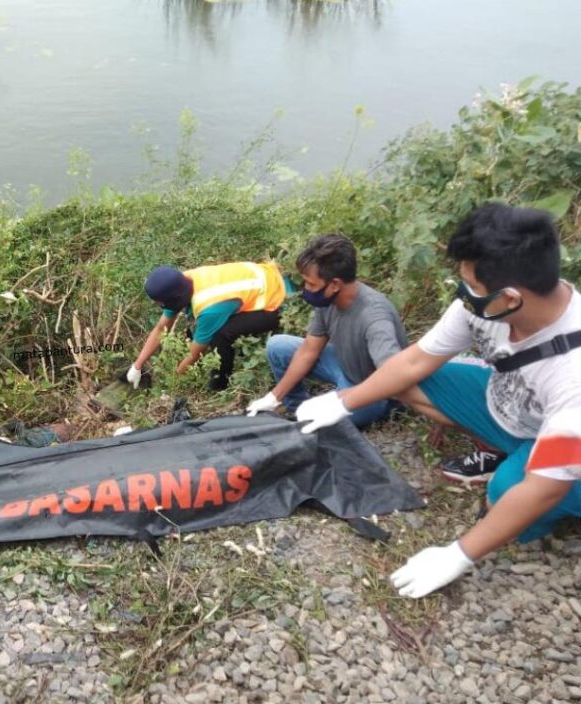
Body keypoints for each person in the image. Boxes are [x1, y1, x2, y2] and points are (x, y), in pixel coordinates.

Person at [295, 203, 581, 598]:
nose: (464, 295)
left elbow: (544, 486)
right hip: (509, 405)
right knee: (415, 380)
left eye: (472, 288)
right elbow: (413, 361)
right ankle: (505, 450)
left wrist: (458, 554)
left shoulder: (573, 375)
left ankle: (541, 509)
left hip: (562, 449)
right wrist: (344, 401)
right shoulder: (481, 305)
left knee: (507, 497)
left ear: (512, 297)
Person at [246, 234, 408, 427]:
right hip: (344, 365)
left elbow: (395, 376)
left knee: (323, 417)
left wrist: (343, 398)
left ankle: (313, 417)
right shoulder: (328, 301)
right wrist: (273, 397)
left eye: (311, 284)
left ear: (335, 284)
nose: (306, 288)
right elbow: (308, 351)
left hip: (372, 390)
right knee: (277, 346)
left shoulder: (374, 318)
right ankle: (297, 409)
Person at [127, 261, 286, 392]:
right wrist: (137, 365)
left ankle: (219, 386)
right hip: (261, 275)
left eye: (159, 302)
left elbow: (193, 355)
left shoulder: (209, 308)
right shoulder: (182, 281)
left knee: (221, 335)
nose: (158, 305)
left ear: (171, 299)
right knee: (197, 331)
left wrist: (171, 386)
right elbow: (162, 328)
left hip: (275, 299)